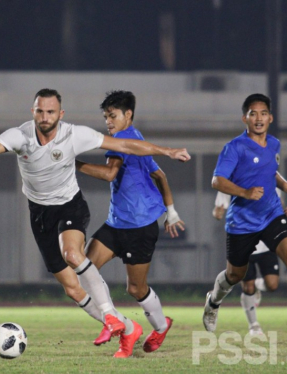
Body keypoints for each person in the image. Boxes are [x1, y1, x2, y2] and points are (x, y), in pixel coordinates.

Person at [0, 88, 190, 357]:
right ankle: (128, 327)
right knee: (73, 287)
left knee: (81, 258)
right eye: (40, 111)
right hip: (44, 215)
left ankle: (121, 318)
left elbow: (125, 148)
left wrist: (167, 152)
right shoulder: (20, 135)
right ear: (33, 112)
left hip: (74, 208)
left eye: (51, 111)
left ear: (60, 114)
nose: (45, 116)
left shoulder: (75, 134)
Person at [203, 93, 287, 341]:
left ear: (270, 117)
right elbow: (217, 180)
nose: (258, 118)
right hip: (242, 222)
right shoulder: (234, 147)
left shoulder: (275, 144)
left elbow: (271, 171)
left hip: (271, 214)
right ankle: (213, 302)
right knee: (234, 275)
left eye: (263, 113)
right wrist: (244, 192)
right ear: (244, 118)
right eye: (253, 113)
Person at [75, 90, 183, 357]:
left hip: (139, 226)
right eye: (105, 117)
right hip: (116, 223)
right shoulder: (136, 139)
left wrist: (73, 164)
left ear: (128, 115)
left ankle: (160, 325)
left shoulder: (124, 139)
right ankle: (119, 323)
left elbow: (111, 174)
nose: (108, 122)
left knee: (135, 288)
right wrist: (171, 211)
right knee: (84, 270)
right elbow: (160, 175)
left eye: (112, 116)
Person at [213, 190, 280, 336]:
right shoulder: (230, 182)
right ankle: (253, 325)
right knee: (247, 287)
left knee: (272, 284)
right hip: (243, 242)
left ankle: (257, 286)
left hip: (266, 244)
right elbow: (219, 208)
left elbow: (279, 210)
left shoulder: (272, 182)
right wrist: (219, 212)